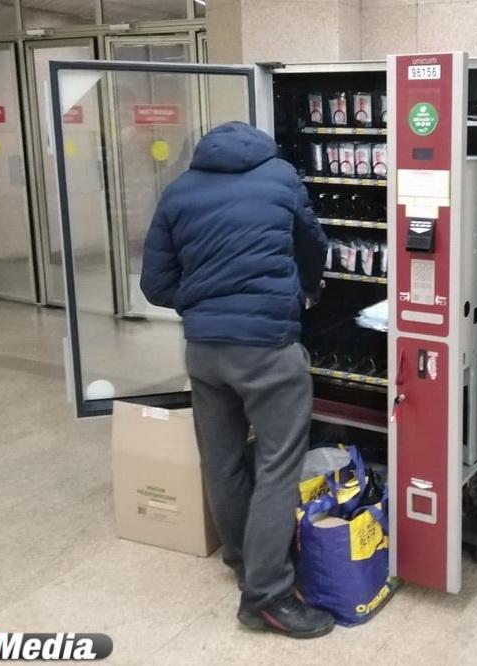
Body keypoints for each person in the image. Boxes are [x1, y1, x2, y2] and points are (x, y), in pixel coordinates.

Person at [140, 122, 332, 639]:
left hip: (204, 351)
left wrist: (200, 304)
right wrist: (304, 291)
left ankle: (246, 560)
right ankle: (267, 596)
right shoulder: (280, 177)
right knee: (277, 465)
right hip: (268, 348)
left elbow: (155, 284)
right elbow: (312, 246)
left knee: (221, 461)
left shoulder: (178, 190)